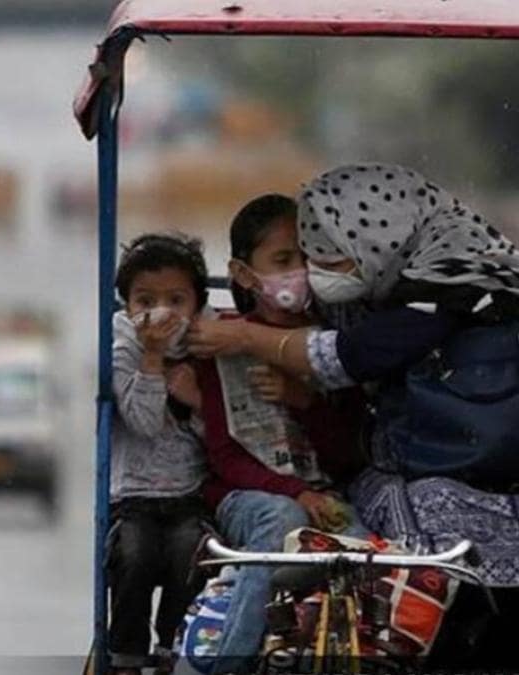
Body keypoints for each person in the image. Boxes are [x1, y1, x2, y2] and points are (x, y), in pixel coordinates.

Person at [187, 164, 519, 661]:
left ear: (376, 237)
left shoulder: (446, 285)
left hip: (464, 467)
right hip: (322, 484)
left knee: (385, 536)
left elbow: (349, 362)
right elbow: (223, 450)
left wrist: (270, 362)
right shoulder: (380, 290)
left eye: (321, 258)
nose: (312, 274)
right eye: (295, 259)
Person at [192, 194, 370, 669]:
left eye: (308, 258)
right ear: (244, 274)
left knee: (361, 545)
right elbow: (224, 457)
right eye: (284, 260)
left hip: (322, 493)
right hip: (249, 496)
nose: (301, 271)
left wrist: (304, 401)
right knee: (281, 518)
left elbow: (348, 454)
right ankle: (230, 661)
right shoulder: (220, 344)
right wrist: (297, 493)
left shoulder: (330, 346)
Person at [107, 233, 211, 675]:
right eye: (145, 301)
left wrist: (197, 400)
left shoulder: (210, 351)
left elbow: (225, 435)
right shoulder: (123, 350)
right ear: (127, 305)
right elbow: (144, 422)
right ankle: (126, 656)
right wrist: (151, 357)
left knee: (190, 554)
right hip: (132, 497)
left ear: (197, 304)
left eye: (176, 300)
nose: (161, 312)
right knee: (134, 556)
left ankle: (173, 646)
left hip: (190, 495)